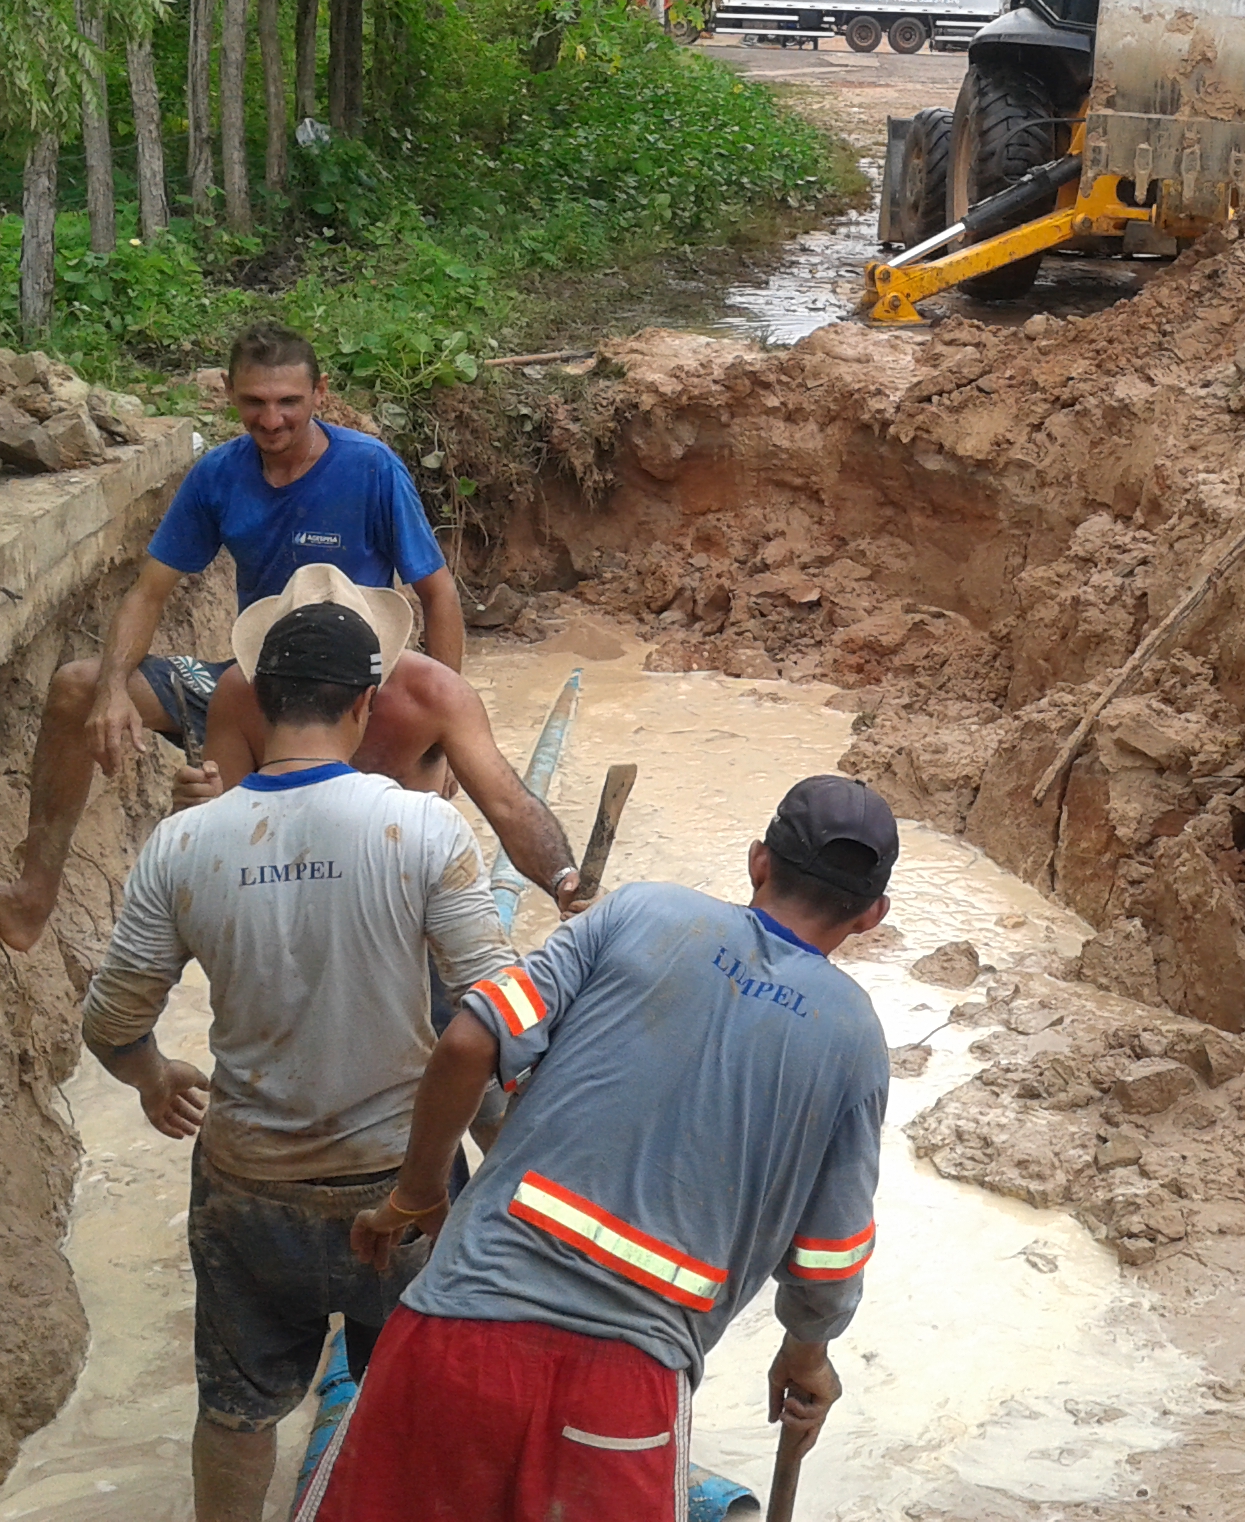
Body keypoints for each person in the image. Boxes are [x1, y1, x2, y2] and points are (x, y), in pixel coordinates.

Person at [298, 775, 900, 1522]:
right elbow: (828, 1258)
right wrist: (807, 1354)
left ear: (758, 861)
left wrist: (417, 1191)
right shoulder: (855, 1040)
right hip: (626, 1400)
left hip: (456, 1336)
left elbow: (467, 1039)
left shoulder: (644, 910)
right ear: (873, 916)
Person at [78, 601, 521, 1522]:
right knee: (422, 1410)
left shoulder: (184, 843)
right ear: (364, 704)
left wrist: (153, 1075)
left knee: (237, 1413)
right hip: (401, 1185)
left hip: (248, 1182)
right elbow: (496, 1010)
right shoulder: (425, 832)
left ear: (258, 702)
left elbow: (112, 1021)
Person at [0, 323, 467, 952]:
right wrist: (111, 691)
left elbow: (438, 594)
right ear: (230, 398)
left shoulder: (370, 469)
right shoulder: (218, 475)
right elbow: (148, 591)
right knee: (76, 687)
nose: (271, 420)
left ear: (320, 395)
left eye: (288, 402)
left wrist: (445, 734)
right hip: (253, 680)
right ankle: (31, 899)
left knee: (408, 874)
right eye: (255, 402)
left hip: (357, 692)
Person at [173, 564, 582, 913]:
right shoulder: (239, 695)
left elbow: (508, 806)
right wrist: (191, 812)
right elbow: (221, 835)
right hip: (286, 896)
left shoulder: (436, 697)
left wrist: (563, 879)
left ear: (369, 693)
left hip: (406, 897)